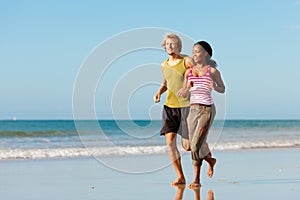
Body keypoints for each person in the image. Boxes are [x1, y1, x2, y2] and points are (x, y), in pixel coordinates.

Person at [179, 41, 225, 188]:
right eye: (193, 52)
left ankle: (196, 179)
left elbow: (223, 89)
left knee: (195, 144)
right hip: (193, 110)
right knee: (193, 145)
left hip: (207, 110)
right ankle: (210, 161)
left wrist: (214, 87)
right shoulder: (189, 72)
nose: (194, 54)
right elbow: (185, 91)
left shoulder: (212, 72)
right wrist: (185, 91)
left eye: (197, 51)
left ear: (205, 53)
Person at [153, 33, 193, 186]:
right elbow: (166, 83)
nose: (170, 47)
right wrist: (158, 92)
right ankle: (180, 176)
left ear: (179, 47)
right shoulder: (164, 65)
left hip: (185, 107)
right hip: (169, 106)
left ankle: (208, 157)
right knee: (170, 143)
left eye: (173, 44)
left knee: (188, 147)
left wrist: (188, 86)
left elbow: (197, 73)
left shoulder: (186, 60)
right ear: (164, 47)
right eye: (168, 44)